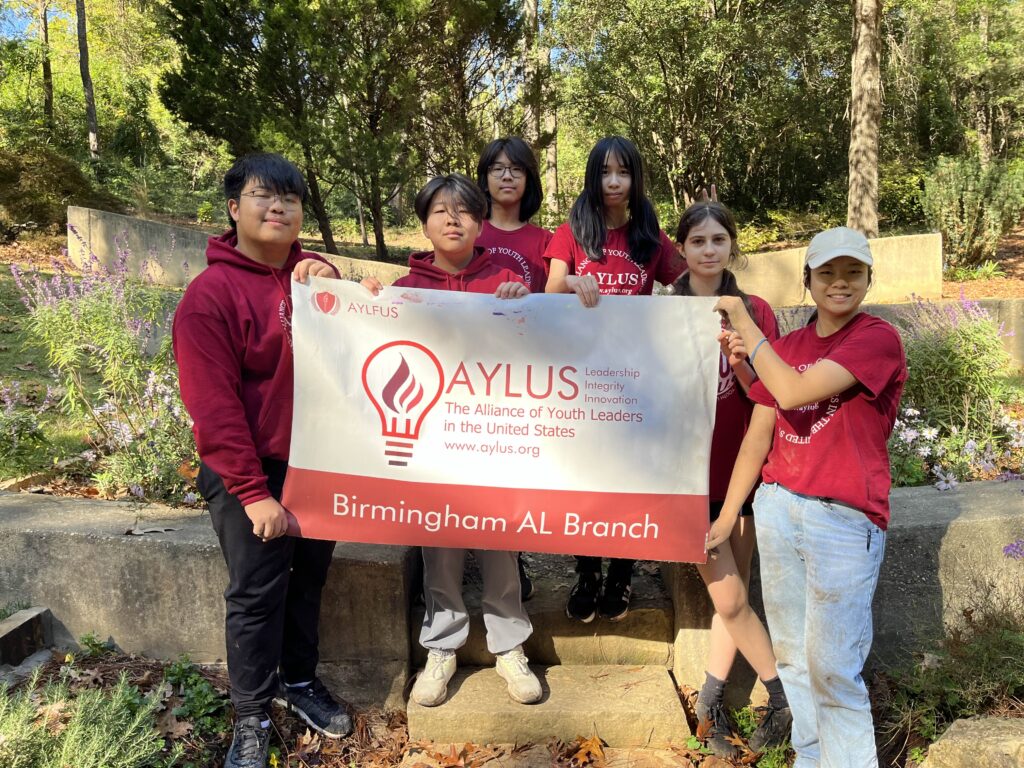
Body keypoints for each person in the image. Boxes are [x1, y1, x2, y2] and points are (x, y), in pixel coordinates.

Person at [173, 153, 354, 768]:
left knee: (309, 583)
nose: (278, 207)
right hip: (250, 470)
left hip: (318, 464)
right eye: (262, 196)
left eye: (290, 199)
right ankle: (250, 715)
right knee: (255, 594)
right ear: (234, 208)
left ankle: (299, 683)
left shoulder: (318, 287)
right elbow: (213, 405)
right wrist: (253, 492)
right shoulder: (210, 296)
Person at [712, 227, 907, 768]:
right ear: (808, 281)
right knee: (795, 659)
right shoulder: (790, 347)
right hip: (779, 507)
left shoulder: (877, 339)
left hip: (844, 520)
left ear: (869, 279)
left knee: (833, 667)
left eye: (852, 273)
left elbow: (795, 391)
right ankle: (812, 758)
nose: (839, 283)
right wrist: (730, 514)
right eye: (826, 272)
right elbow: (760, 432)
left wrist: (749, 330)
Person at [349, 173, 543, 707]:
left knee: (503, 546)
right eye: (440, 210)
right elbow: (375, 343)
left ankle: (510, 646)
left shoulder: (505, 278)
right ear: (425, 223)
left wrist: (526, 307)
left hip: (494, 443)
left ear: (480, 222)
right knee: (441, 548)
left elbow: (540, 353)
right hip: (434, 450)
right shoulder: (407, 290)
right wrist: (364, 304)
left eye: (463, 210)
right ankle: (442, 646)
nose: (452, 219)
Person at [544, 135, 685, 622]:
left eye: (622, 172)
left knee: (628, 481)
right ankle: (587, 571)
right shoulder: (574, 229)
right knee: (584, 481)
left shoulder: (650, 232)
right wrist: (569, 281)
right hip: (581, 380)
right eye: (604, 172)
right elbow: (548, 289)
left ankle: (621, 574)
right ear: (593, 176)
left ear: (635, 178)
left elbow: (685, 284)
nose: (613, 182)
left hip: (635, 379)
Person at [671, 201, 791, 757]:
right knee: (731, 598)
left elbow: (773, 398)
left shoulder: (754, 310)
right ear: (683, 248)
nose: (710, 250)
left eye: (719, 239)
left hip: (741, 475)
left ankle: (711, 703)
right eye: (698, 241)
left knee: (733, 598)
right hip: (685, 479)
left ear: (731, 247)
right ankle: (781, 694)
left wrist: (742, 360)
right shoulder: (662, 312)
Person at [475, 136, 553, 601]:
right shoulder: (468, 229)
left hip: (526, 372)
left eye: (516, 169)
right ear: (483, 177)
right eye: (497, 168)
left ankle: (512, 556)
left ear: (529, 179)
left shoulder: (545, 240)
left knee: (515, 470)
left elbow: (558, 298)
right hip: (470, 370)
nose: (506, 176)